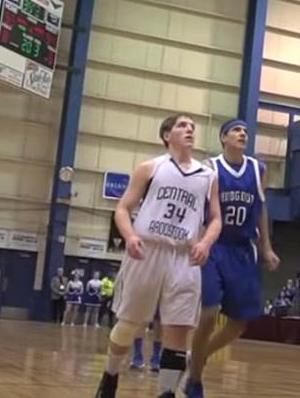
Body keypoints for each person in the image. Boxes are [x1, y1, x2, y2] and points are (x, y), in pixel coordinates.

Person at [94, 113, 221, 398]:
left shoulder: (208, 176)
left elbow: (215, 219)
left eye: (192, 127)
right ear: (167, 135)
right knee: (129, 324)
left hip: (184, 256)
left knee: (177, 331)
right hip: (147, 251)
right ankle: (110, 375)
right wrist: (130, 236)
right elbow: (123, 208)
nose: (189, 130)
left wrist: (206, 243)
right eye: (182, 126)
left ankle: (166, 393)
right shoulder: (149, 168)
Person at [184, 118, 280, 398]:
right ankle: (195, 381)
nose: (243, 134)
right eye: (237, 130)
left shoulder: (258, 169)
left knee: (239, 324)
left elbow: (260, 210)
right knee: (209, 314)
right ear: (224, 138)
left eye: (246, 131)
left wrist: (267, 247)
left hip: (242, 249)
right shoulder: (210, 168)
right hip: (215, 246)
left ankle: (196, 358)